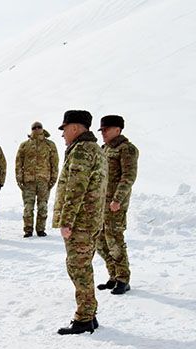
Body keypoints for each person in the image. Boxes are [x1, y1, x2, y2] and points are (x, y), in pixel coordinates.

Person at [52, 110, 108, 335]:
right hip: (90, 220)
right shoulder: (95, 149)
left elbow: (76, 188)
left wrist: (66, 221)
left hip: (80, 222)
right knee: (81, 266)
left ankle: (84, 317)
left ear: (75, 127)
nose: (63, 134)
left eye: (64, 129)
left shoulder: (82, 151)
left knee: (78, 267)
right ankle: (89, 313)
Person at [96, 114, 139, 295]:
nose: (103, 133)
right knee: (100, 241)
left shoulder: (126, 149)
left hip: (115, 205)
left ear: (117, 130)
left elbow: (128, 176)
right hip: (100, 204)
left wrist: (117, 199)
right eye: (102, 130)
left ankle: (123, 278)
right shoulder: (103, 149)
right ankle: (113, 276)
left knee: (114, 240)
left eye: (106, 130)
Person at [15, 121, 59, 237]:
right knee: (28, 207)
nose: (37, 129)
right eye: (34, 127)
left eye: (39, 127)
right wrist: (19, 179)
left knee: (42, 206)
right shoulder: (24, 145)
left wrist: (53, 179)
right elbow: (18, 164)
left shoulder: (50, 145)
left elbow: (54, 164)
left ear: (43, 129)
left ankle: (41, 229)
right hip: (28, 181)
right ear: (31, 129)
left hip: (44, 181)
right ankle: (28, 230)